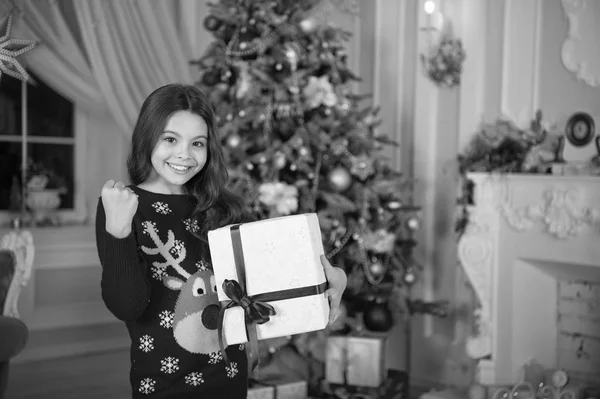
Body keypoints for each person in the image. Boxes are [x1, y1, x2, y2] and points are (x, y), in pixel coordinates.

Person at [95, 83, 347, 399]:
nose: (184, 155)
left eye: (197, 143)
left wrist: (332, 278)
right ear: (148, 137)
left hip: (229, 377)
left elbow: (272, 274)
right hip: (162, 385)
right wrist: (117, 233)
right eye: (170, 139)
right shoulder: (125, 205)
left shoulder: (222, 206)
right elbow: (127, 306)